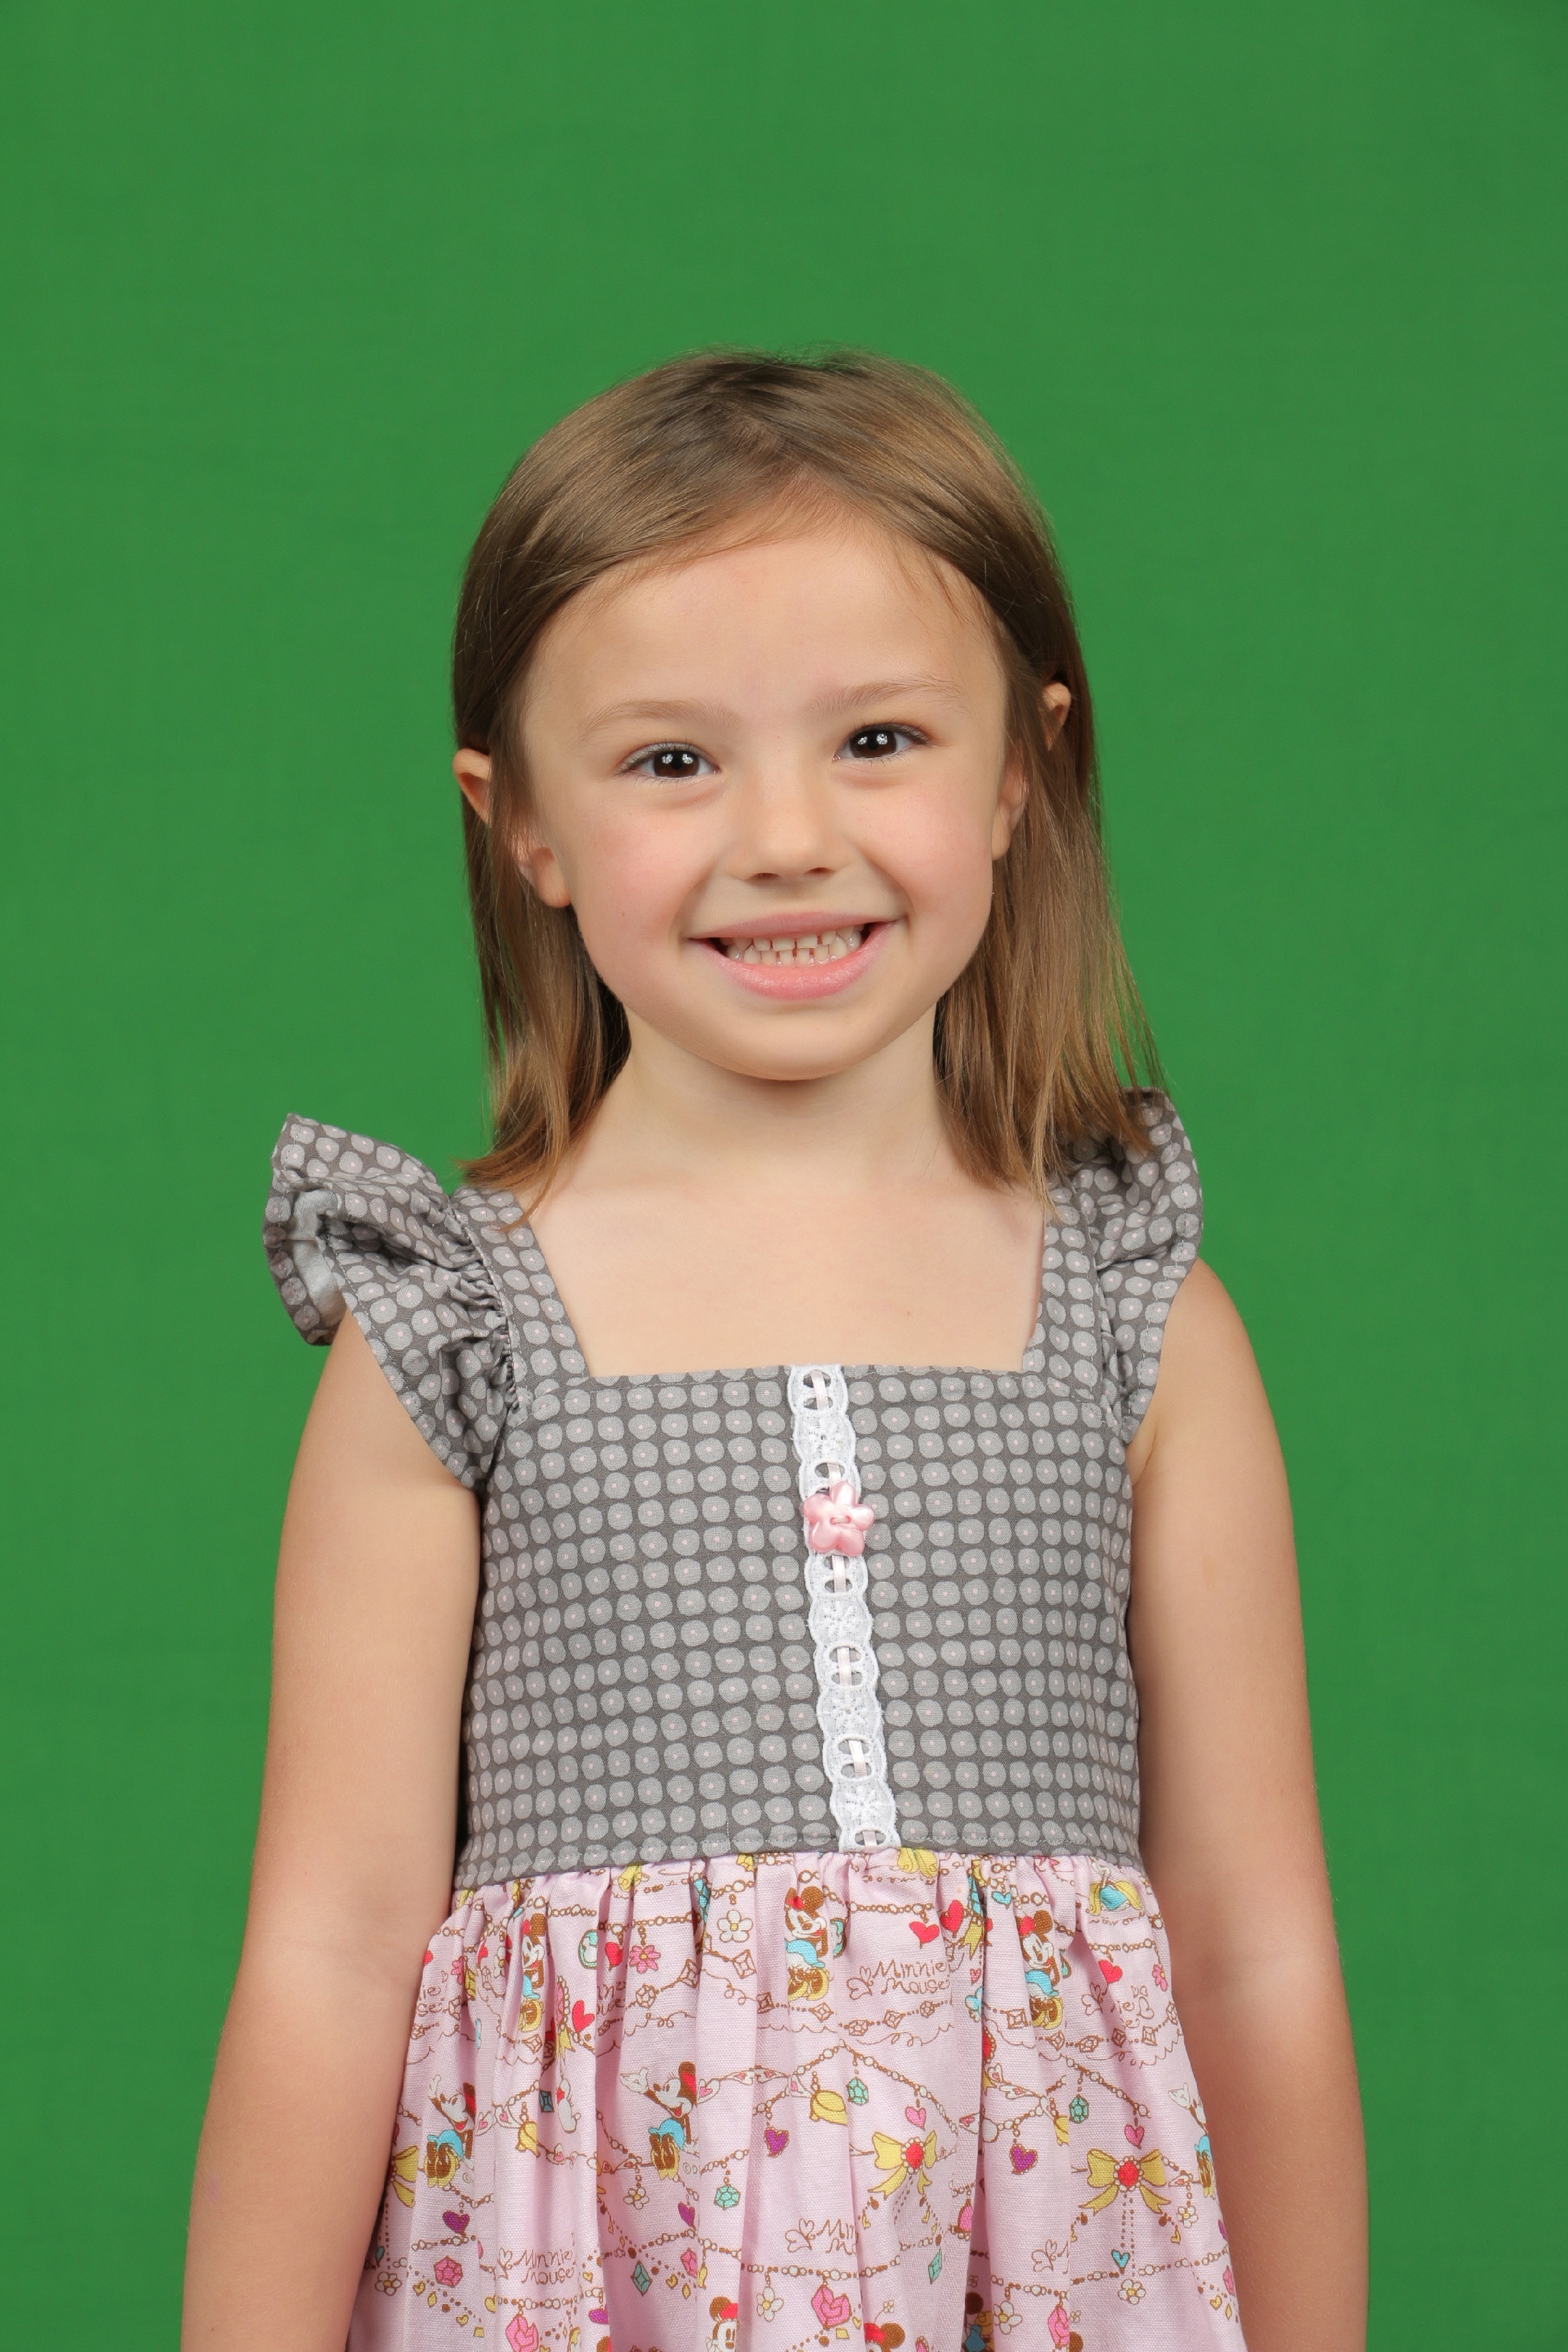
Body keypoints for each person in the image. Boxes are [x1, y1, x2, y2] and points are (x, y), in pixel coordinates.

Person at [183, 352, 1365, 2352]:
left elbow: (1255, 1949)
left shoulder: (1134, 1313)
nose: (788, 836)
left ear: (1022, 771)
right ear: (523, 822)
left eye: (878, 738)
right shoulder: (453, 1323)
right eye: (672, 761)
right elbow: (330, 1944)